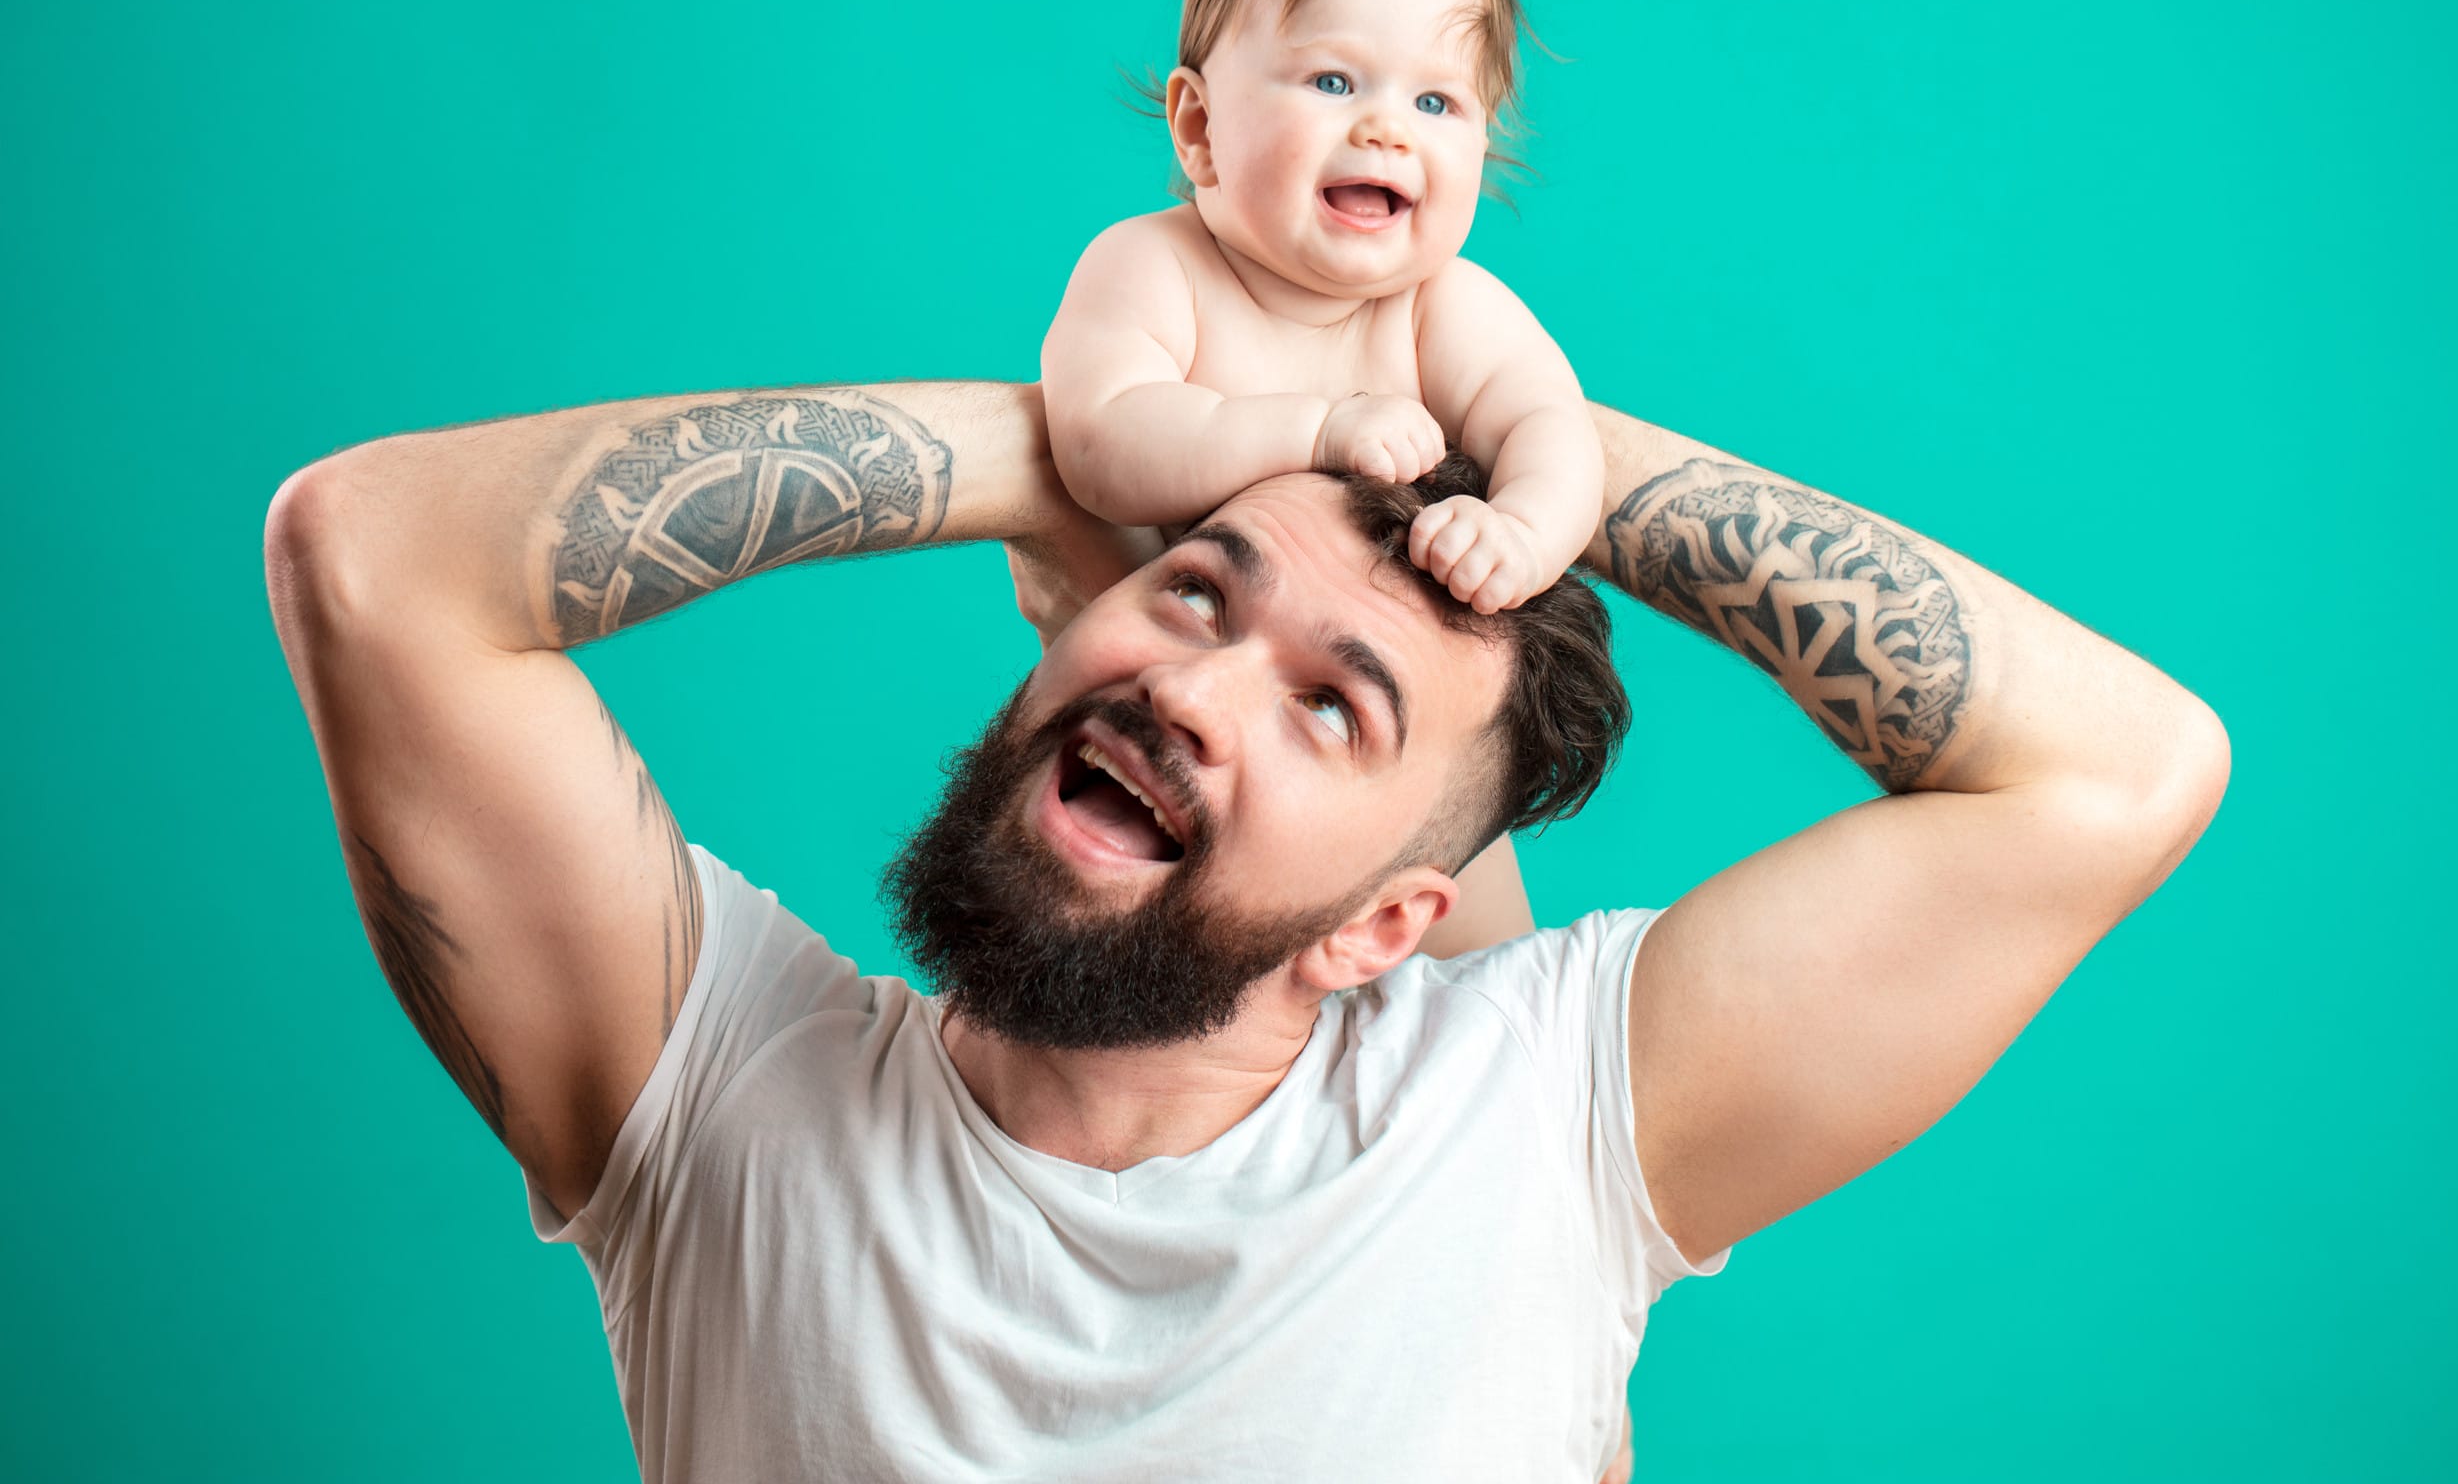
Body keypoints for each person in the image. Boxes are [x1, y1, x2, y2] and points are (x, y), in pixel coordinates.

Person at [263, 379, 2228, 1481]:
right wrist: (1086, 437)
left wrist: (1539, 443)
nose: (1194, 688)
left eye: (1331, 707)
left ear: (1387, 924)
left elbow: (2122, 771)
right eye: (1195, 591)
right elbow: (367, 559)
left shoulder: (1541, 1119)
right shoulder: (716, 1088)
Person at [1030, 0, 1601, 627]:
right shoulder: (1154, 267)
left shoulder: (1444, 308)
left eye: (1434, 102)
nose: (1388, 130)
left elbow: (1550, 425)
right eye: (1333, 81)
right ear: (1199, 127)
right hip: (1164, 654)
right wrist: (1317, 430)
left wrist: (1523, 532)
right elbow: (1101, 442)